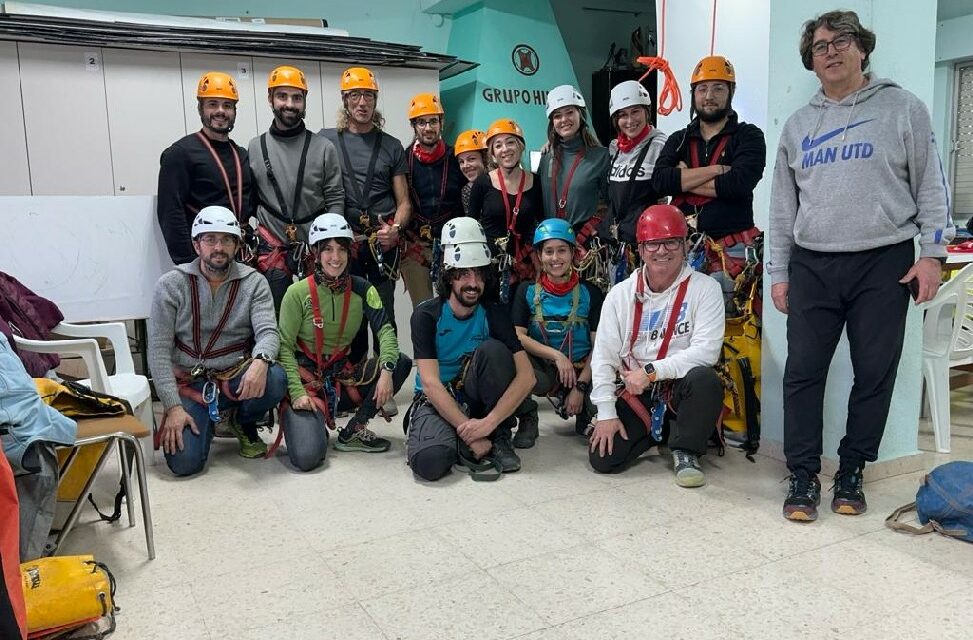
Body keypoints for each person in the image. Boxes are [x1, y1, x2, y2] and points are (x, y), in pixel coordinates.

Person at [768, 10, 954, 521]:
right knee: (803, 372)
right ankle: (803, 474)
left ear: (862, 48)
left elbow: (932, 188)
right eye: (820, 46)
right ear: (810, 60)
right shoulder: (799, 125)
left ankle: (852, 471)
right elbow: (783, 209)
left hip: (884, 263)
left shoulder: (903, 108)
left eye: (840, 41)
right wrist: (778, 274)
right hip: (812, 265)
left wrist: (933, 255)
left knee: (875, 372)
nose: (830, 51)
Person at [588, 204, 724, 486]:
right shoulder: (620, 295)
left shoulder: (705, 289)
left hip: (679, 388)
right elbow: (603, 357)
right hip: (633, 390)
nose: (662, 251)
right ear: (640, 248)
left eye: (671, 241)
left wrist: (651, 371)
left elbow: (707, 352)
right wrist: (606, 414)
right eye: (653, 244)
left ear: (685, 245)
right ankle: (656, 433)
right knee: (603, 460)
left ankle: (686, 449)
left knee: (705, 380)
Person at [148, 206, 287, 476]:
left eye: (226, 240)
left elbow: (268, 332)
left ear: (236, 244)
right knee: (184, 464)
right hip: (192, 384)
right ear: (196, 245)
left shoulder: (254, 283)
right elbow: (158, 351)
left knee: (275, 377)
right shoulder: (170, 285)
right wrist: (172, 407)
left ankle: (241, 419)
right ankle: (207, 422)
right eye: (210, 239)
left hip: (234, 377)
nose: (218, 247)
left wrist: (261, 361)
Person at [276, 214, 412, 470]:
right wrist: (295, 393)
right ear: (316, 253)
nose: (335, 258)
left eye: (341, 249)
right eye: (327, 249)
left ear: (350, 253)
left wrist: (387, 371)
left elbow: (385, 331)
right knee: (307, 458)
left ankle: (354, 430)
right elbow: (283, 346)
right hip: (308, 384)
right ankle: (312, 423)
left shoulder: (363, 289)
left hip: (340, 380)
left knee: (402, 362)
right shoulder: (297, 293)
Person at [406, 217, 535, 480]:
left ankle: (498, 434)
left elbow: (527, 377)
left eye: (478, 273)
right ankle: (461, 437)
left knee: (494, 352)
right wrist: (469, 431)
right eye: (464, 274)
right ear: (449, 277)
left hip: (478, 399)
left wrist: (489, 423)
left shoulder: (494, 313)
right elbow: (430, 384)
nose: (473, 283)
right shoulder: (426, 316)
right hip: (437, 399)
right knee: (430, 464)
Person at [321, 67, 410, 417]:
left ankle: (385, 383)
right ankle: (357, 387)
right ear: (345, 100)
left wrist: (396, 229)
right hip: (345, 244)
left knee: (383, 314)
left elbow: (404, 202)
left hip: (380, 244)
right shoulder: (326, 140)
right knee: (351, 317)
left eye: (368, 96)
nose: (362, 102)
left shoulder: (391, 146)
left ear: (375, 100)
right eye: (355, 96)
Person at [652, 56, 766, 304]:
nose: (709, 95)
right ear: (693, 94)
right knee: (680, 327)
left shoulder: (748, 136)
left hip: (731, 251)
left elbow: (738, 184)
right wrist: (716, 170)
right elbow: (660, 181)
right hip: (682, 250)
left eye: (718, 88)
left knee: (731, 329)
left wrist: (682, 178)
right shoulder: (679, 139)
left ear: (731, 91)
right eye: (702, 89)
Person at [249, 65, 344, 314]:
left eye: (297, 98)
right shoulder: (255, 148)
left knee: (318, 316)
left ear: (304, 101)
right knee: (276, 315)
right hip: (272, 247)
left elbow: (335, 197)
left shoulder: (324, 148)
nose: (290, 104)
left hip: (314, 246)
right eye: (282, 96)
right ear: (270, 99)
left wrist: (331, 242)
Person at [512, 219, 603, 447]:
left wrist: (581, 387)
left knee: (590, 427)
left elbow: (601, 347)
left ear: (573, 253)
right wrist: (557, 356)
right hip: (545, 369)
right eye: (549, 251)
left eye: (562, 250)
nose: (555, 258)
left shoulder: (591, 293)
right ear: (539, 256)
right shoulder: (526, 291)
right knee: (507, 359)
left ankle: (584, 410)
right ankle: (527, 417)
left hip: (583, 370)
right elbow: (518, 336)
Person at [158, 72, 256, 266]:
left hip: (240, 255)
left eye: (227, 105)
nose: (220, 111)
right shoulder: (181, 154)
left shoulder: (241, 155)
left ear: (234, 111)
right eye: (212, 104)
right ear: (200, 108)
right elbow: (171, 213)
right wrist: (188, 264)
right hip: (204, 259)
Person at [537, 85, 610, 283]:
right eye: (557, 115)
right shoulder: (546, 158)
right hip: (552, 248)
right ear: (552, 122)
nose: (564, 120)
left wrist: (586, 235)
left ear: (581, 115)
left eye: (570, 112)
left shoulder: (601, 156)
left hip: (584, 248)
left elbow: (609, 205)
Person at [399, 93, 467, 307]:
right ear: (414, 126)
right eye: (421, 122)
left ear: (441, 123)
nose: (428, 127)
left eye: (433, 121)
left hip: (453, 245)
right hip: (415, 245)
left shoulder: (457, 158)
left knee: (457, 308)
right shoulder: (402, 160)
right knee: (423, 311)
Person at [468, 119, 544, 305]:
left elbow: (542, 223)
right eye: (498, 145)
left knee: (520, 321)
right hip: (490, 266)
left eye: (510, 142)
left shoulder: (536, 182)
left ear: (520, 147)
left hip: (524, 267)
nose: (505, 149)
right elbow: (471, 224)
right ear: (493, 154)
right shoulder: (483, 183)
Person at [605, 80, 668, 284]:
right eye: (623, 114)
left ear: (646, 112)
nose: (630, 120)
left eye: (635, 112)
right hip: (618, 248)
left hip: (649, 249)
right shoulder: (615, 147)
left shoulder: (660, 144)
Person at [454, 129, 489, 215]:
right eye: (461, 162)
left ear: (485, 159)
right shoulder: (467, 191)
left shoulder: (501, 182)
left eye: (471, 159)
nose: (465, 165)